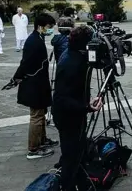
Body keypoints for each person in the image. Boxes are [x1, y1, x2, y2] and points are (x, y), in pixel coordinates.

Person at [52, 25, 103, 191]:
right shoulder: (71, 64)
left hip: (72, 115)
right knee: (70, 158)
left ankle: (82, 183)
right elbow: (61, 98)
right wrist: (86, 107)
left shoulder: (73, 55)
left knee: (77, 154)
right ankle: (67, 186)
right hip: (68, 117)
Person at [13, 13, 58, 160]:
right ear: (41, 26)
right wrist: (16, 78)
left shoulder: (38, 38)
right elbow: (25, 63)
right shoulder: (33, 41)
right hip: (34, 84)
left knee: (41, 114)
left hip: (40, 83)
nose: (50, 30)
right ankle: (33, 148)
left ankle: (42, 140)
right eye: (49, 27)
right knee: (37, 116)